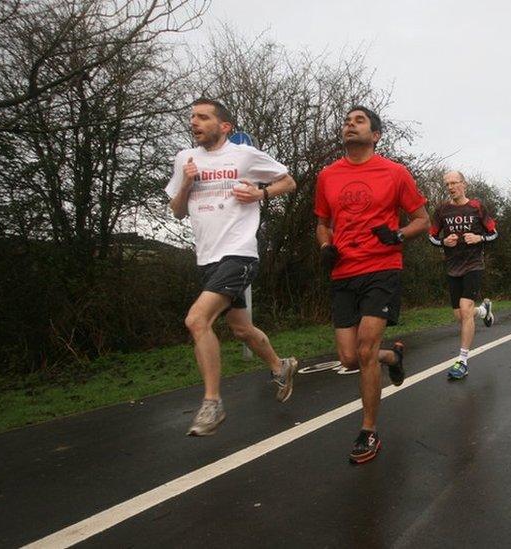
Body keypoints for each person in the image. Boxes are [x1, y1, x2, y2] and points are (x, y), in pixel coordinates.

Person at [165, 98, 299, 436]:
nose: (195, 122)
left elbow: (289, 181)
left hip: (239, 254)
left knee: (197, 320)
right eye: (192, 117)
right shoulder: (185, 159)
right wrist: (186, 184)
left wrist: (261, 194)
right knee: (240, 328)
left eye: (203, 117)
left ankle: (212, 403)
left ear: (224, 126)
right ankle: (280, 366)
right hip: (207, 257)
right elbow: (178, 211)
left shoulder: (244, 155)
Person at [314, 106, 430, 464]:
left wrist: (396, 233)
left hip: (382, 267)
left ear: (376, 135)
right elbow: (322, 222)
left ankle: (368, 431)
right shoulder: (327, 176)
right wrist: (325, 246)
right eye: (347, 121)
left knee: (365, 350)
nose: (349, 124)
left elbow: (422, 220)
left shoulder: (395, 173)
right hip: (344, 273)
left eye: (359, 121)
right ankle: (392, 356)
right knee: (349, 357)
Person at [429, 170, 497, 380]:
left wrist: (479, 238)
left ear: (464, 184)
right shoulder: (441, 210)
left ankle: (462, 361)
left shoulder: (477, 207)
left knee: (465, 309)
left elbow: (494, 233)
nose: (451, 187)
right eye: (447, 184)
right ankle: (483, 311)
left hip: (474, 265)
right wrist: (442, 242)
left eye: (454, 183)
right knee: (460, 315)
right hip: (453, 266)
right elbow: (431, 236)